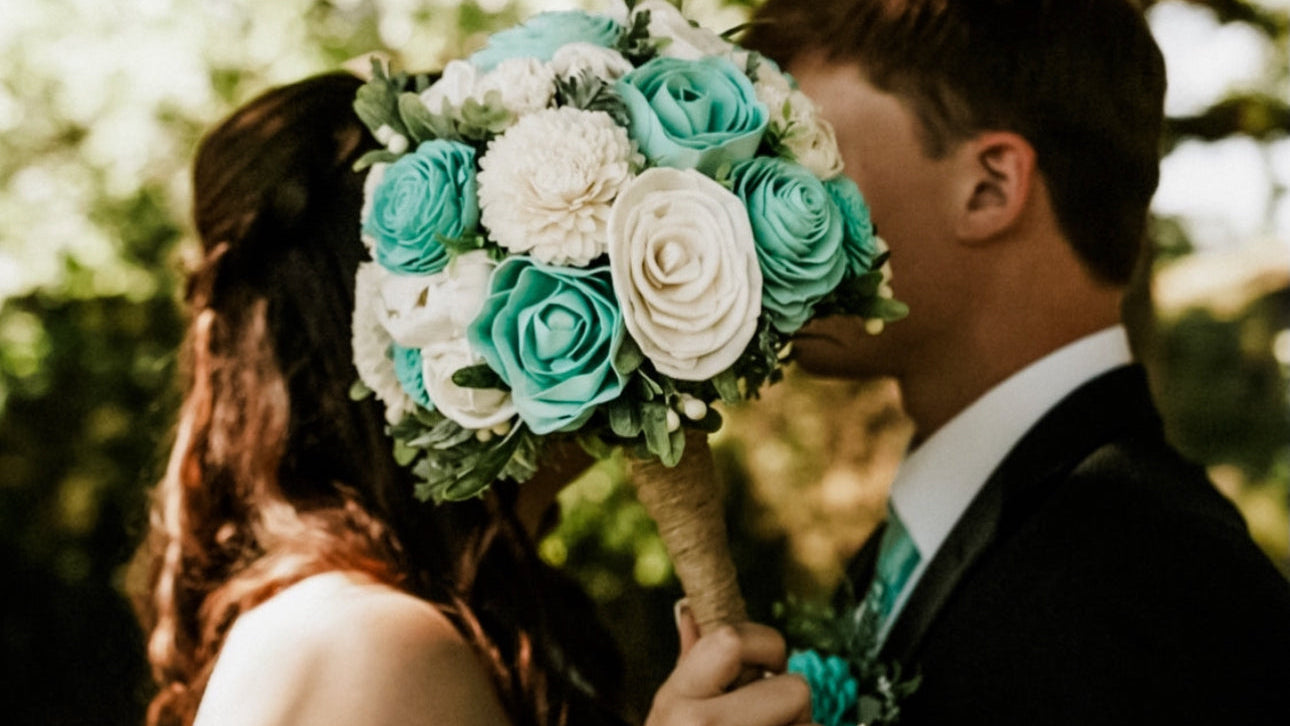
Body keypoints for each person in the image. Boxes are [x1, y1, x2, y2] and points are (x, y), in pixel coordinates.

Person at [131, 72, 812, 726]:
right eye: (535, 254)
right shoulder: (363, 647)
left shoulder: (483, 611)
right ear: (418, 334)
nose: (598, 273)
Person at [742, 1, 1290, 724]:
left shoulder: (1150, 591)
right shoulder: (956, 539)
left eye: (808, 156)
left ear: (992, 185)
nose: (754, 208)